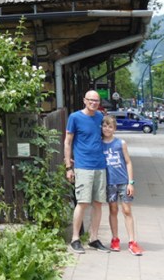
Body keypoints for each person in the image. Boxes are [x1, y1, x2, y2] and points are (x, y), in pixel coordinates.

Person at [63, 90, 110, 254]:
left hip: (100, 165)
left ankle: (94, 239)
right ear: (84, 100)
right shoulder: (74, 117)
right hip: (83, 166)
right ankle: (75, 239)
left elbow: (107, 137)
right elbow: (67, 142)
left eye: (96, 100)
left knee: (98, 203)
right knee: (82, 203)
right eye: (91, 100)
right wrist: (68, 166)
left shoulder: (100, 118)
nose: (94, 103)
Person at [102, 114, 144, 256]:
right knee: (113, 210)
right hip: (109, 183)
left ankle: (132, 241)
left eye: (110, 126)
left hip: (123, 181)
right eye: (105, 126)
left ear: (114, 128)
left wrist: (130, 182)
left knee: (126, 210)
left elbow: (128, 162)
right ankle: (115, 239)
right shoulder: (99, 143)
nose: (107, 129)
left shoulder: (120, 143)